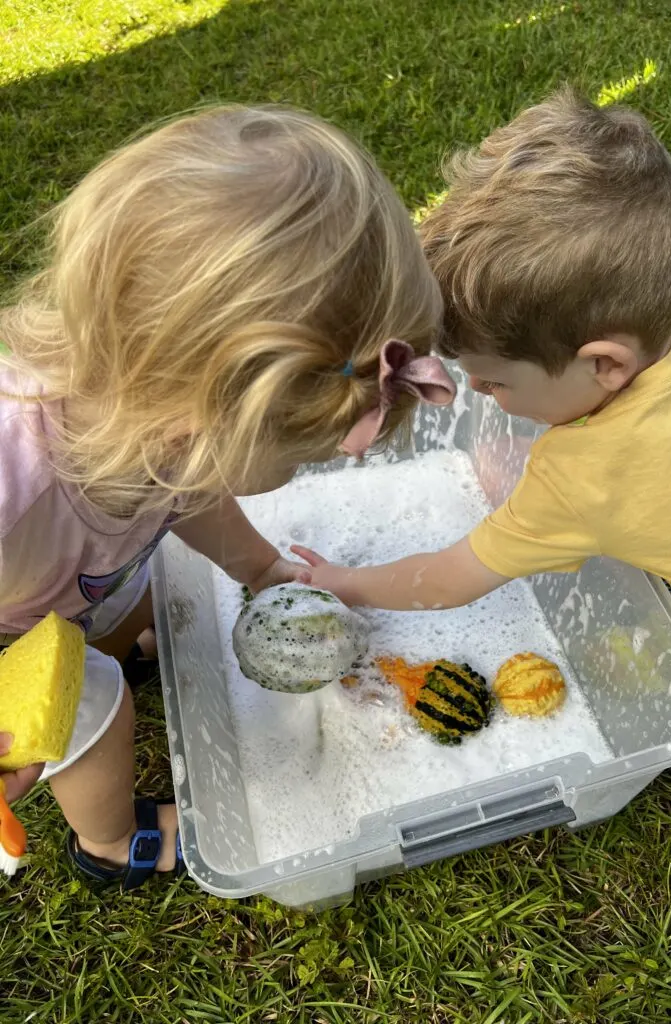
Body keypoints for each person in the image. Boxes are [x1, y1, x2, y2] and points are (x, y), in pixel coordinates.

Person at [0, 105, 455, 889]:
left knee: (125, 606)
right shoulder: (15, 476)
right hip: (19, 645)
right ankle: (111, 842)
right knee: (97, 705)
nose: (314, 464)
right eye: (302, 454)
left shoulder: (166, 434)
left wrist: (262, 566)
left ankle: (122, 640)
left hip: (67, 583)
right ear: (208, 422)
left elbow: (194, 497)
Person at [294, 89, 671, 669]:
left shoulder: (580, 477)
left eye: (494, 384)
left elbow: (448, 579)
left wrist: (345, 582)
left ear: (606, 364)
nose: (476, 393)